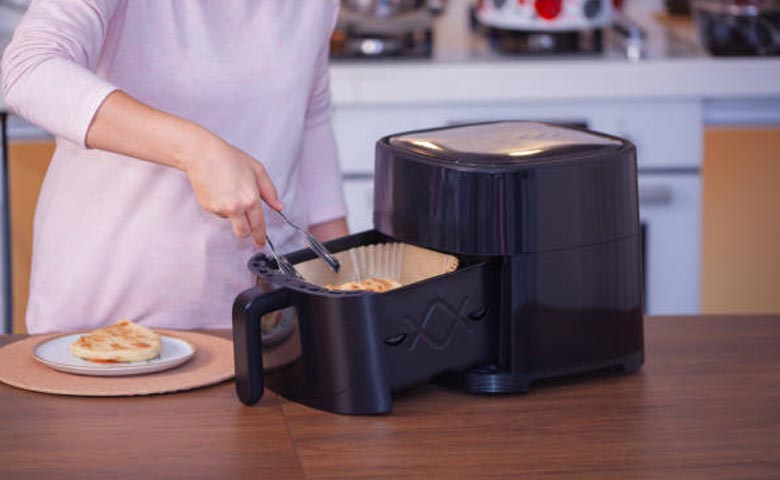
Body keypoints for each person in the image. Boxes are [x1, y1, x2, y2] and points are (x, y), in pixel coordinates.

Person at [1, 0, 348, 334]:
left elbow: (309, 123)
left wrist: (345, 294)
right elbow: (28, 71)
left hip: (266, 318)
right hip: (108, 322)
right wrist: (196, 150)